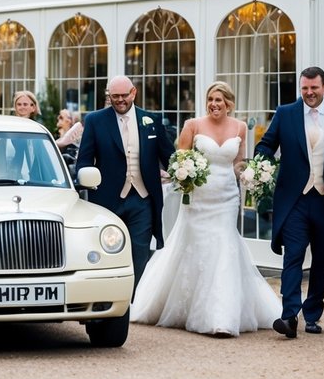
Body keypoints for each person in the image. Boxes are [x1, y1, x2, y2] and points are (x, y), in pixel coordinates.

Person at [131, 82, 282, 336]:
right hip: (198, 198)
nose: (214, 103)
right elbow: (179, 158)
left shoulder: (240, 127)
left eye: (219, 100)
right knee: (197, 249)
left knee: (224, 247)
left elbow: (237, 164)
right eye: (211, 99)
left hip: (226, 198)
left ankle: (221, 317)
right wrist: (185, 174)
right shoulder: (193, 125)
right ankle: (190, 307)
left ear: (229, 104)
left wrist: (250, 175)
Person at [256, 66, 324, 338]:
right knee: (293, 256)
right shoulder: (285, 113)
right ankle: (289, 316)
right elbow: (266, 145)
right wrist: (261, 165)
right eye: (304, 88)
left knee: (321, 260)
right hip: (295, 200)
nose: (309, 93)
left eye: (314, 88)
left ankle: (313, 314)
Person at [75, 75, 175, 292]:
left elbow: (170, 157)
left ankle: (132, 300)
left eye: (124, 95)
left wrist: (184, 173)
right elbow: (84, 159)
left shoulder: (151, 120)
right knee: (106, 252)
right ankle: (108, 296)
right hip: (107, 200)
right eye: (115, 96)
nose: (120, 100)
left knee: (139, 252)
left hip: (142, 199)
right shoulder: (95, 120)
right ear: (109, 96)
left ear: (133, 93)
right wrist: (85, 179)